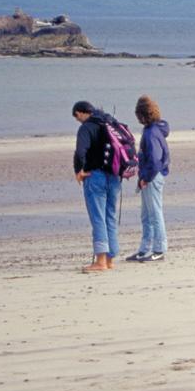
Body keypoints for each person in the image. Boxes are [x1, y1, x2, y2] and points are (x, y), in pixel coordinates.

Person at [72, 100, 123, 273]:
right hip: (115, 176)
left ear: (80, 113)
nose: (78, 121)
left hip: (96, 176)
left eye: (77, 118)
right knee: (110, 215)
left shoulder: (87, 127)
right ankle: (110, 259)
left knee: (98, 217)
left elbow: (80, 152)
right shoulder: (110, 122)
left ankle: (100, 260)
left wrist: (79, 171)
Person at [129, 94, 170, 262]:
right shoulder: (151, 130)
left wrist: (146, 177)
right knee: (146, 215)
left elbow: (155, 160)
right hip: (148, 176)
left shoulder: (152, 132)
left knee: (155, 214)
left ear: (143, 115)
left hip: (153, 177)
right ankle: (144, 249)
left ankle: (159, 249)